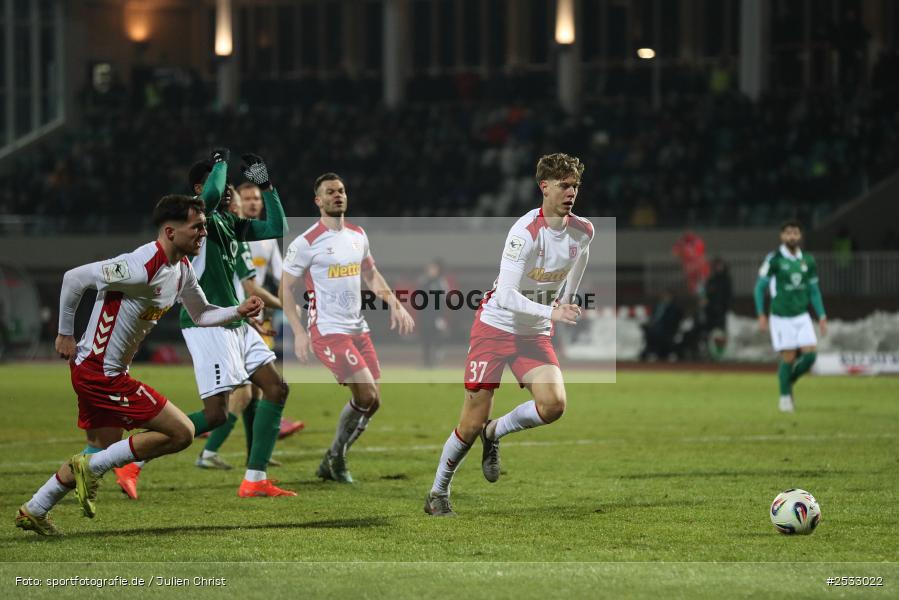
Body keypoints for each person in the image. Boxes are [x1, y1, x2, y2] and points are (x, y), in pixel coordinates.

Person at [14, 195, 264, 536]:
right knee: (181, 432)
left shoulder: (182, 270)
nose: (204, 233)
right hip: (101, 374)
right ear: (170, 231)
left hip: (101, 371)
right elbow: (74, 278)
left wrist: (238, 310)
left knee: (101, 448)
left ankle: (35, 508)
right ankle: (91, 469)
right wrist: (64, 333)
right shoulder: (139, 266)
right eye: (198, 227)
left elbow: (202, 313)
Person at [114, 149, 294, 498]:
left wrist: (267, 185)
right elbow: (208, 197)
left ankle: (255, 478)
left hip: (236, 322)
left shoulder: (226, 222)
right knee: (216, 415)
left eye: (231, 186)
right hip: (206, 324)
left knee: (276, 388)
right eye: (223, 184)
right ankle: (131, 460)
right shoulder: (199, 219)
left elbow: (278, 227)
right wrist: (221, 161)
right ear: (200, 187)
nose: (230, 191)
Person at [424, 153, 593, 517]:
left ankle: (495, 432)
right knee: (469, 424)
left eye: (575, 186)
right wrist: (553, 311)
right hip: (496, 328)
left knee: (554, 406)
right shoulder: (525, 233)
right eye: (564, 185)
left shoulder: (583, 230)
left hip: (533, 334)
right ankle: (438, 492)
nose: (571, 192)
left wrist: (568, 298)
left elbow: (582, 255)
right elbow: (504, 295)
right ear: (543, 187)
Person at [281, 173, 414, 483]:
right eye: (330, 192)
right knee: (366, 394)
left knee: (373, 401)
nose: (337, 195)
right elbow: (285, 289)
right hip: (327, 330)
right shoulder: (306, 243)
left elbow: (371, 275)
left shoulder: (358, 234)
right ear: (318, 201)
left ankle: (333, 458)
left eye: (341, 190)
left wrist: (394, 303)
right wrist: (299, 332)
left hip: (358, 328)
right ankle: (336, 459)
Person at [193, 184, 300, 472]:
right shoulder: (226, 234)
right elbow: (250, 286)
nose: (251, 204)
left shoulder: (261, 239)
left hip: (250, 318)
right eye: (246, 198)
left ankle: (255, 458)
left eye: (255, 198)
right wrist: (286, 308)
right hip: (228, 319)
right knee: (237, 399)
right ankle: (205, 450)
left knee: (262, 390)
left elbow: (281, 275)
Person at [754, 220, 827, 413]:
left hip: (801, 316)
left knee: (810, 356)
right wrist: (761, 314)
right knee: (789, 356)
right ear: (782, 236)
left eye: (795, 233)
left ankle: (788, 381)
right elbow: (760, 288)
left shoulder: (808, 261)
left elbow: (814, 290)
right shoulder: (774, 259)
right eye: (788, 233)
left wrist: (821, 315)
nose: (792, 236)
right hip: (781, 317)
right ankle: (785, 398)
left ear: (800, 236)